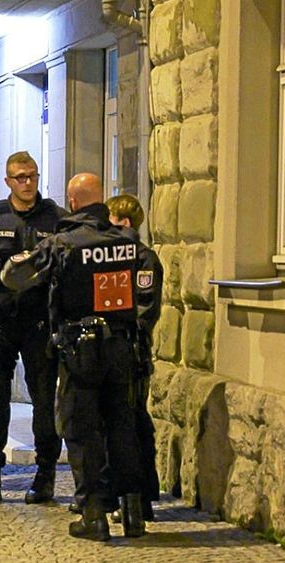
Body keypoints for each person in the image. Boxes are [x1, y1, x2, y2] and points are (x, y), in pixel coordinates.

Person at [2, 173, 162, 541]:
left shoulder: (63, 244)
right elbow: (146, 303)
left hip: (79, 350)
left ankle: (94, 515)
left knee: (81, 429)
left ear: (73, 202)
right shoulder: (132, 247)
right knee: (124, 426)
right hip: (123, 349)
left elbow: (14, 276)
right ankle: (134, 511)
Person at [0, 151, 68, 506]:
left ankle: (45, 474)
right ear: (8, 181)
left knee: (42, 399)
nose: (27, 183)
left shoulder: (56, 219)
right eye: (19, 177)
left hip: (40, 322)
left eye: (32, 176)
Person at [107, 193, 160, 520]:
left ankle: (139, 496)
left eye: (111, 223)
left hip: (132, 353)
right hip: (115, 351)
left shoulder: (143, 259)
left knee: (134, 423)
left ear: (125, 223)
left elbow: (145, 308)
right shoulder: (112, 256)